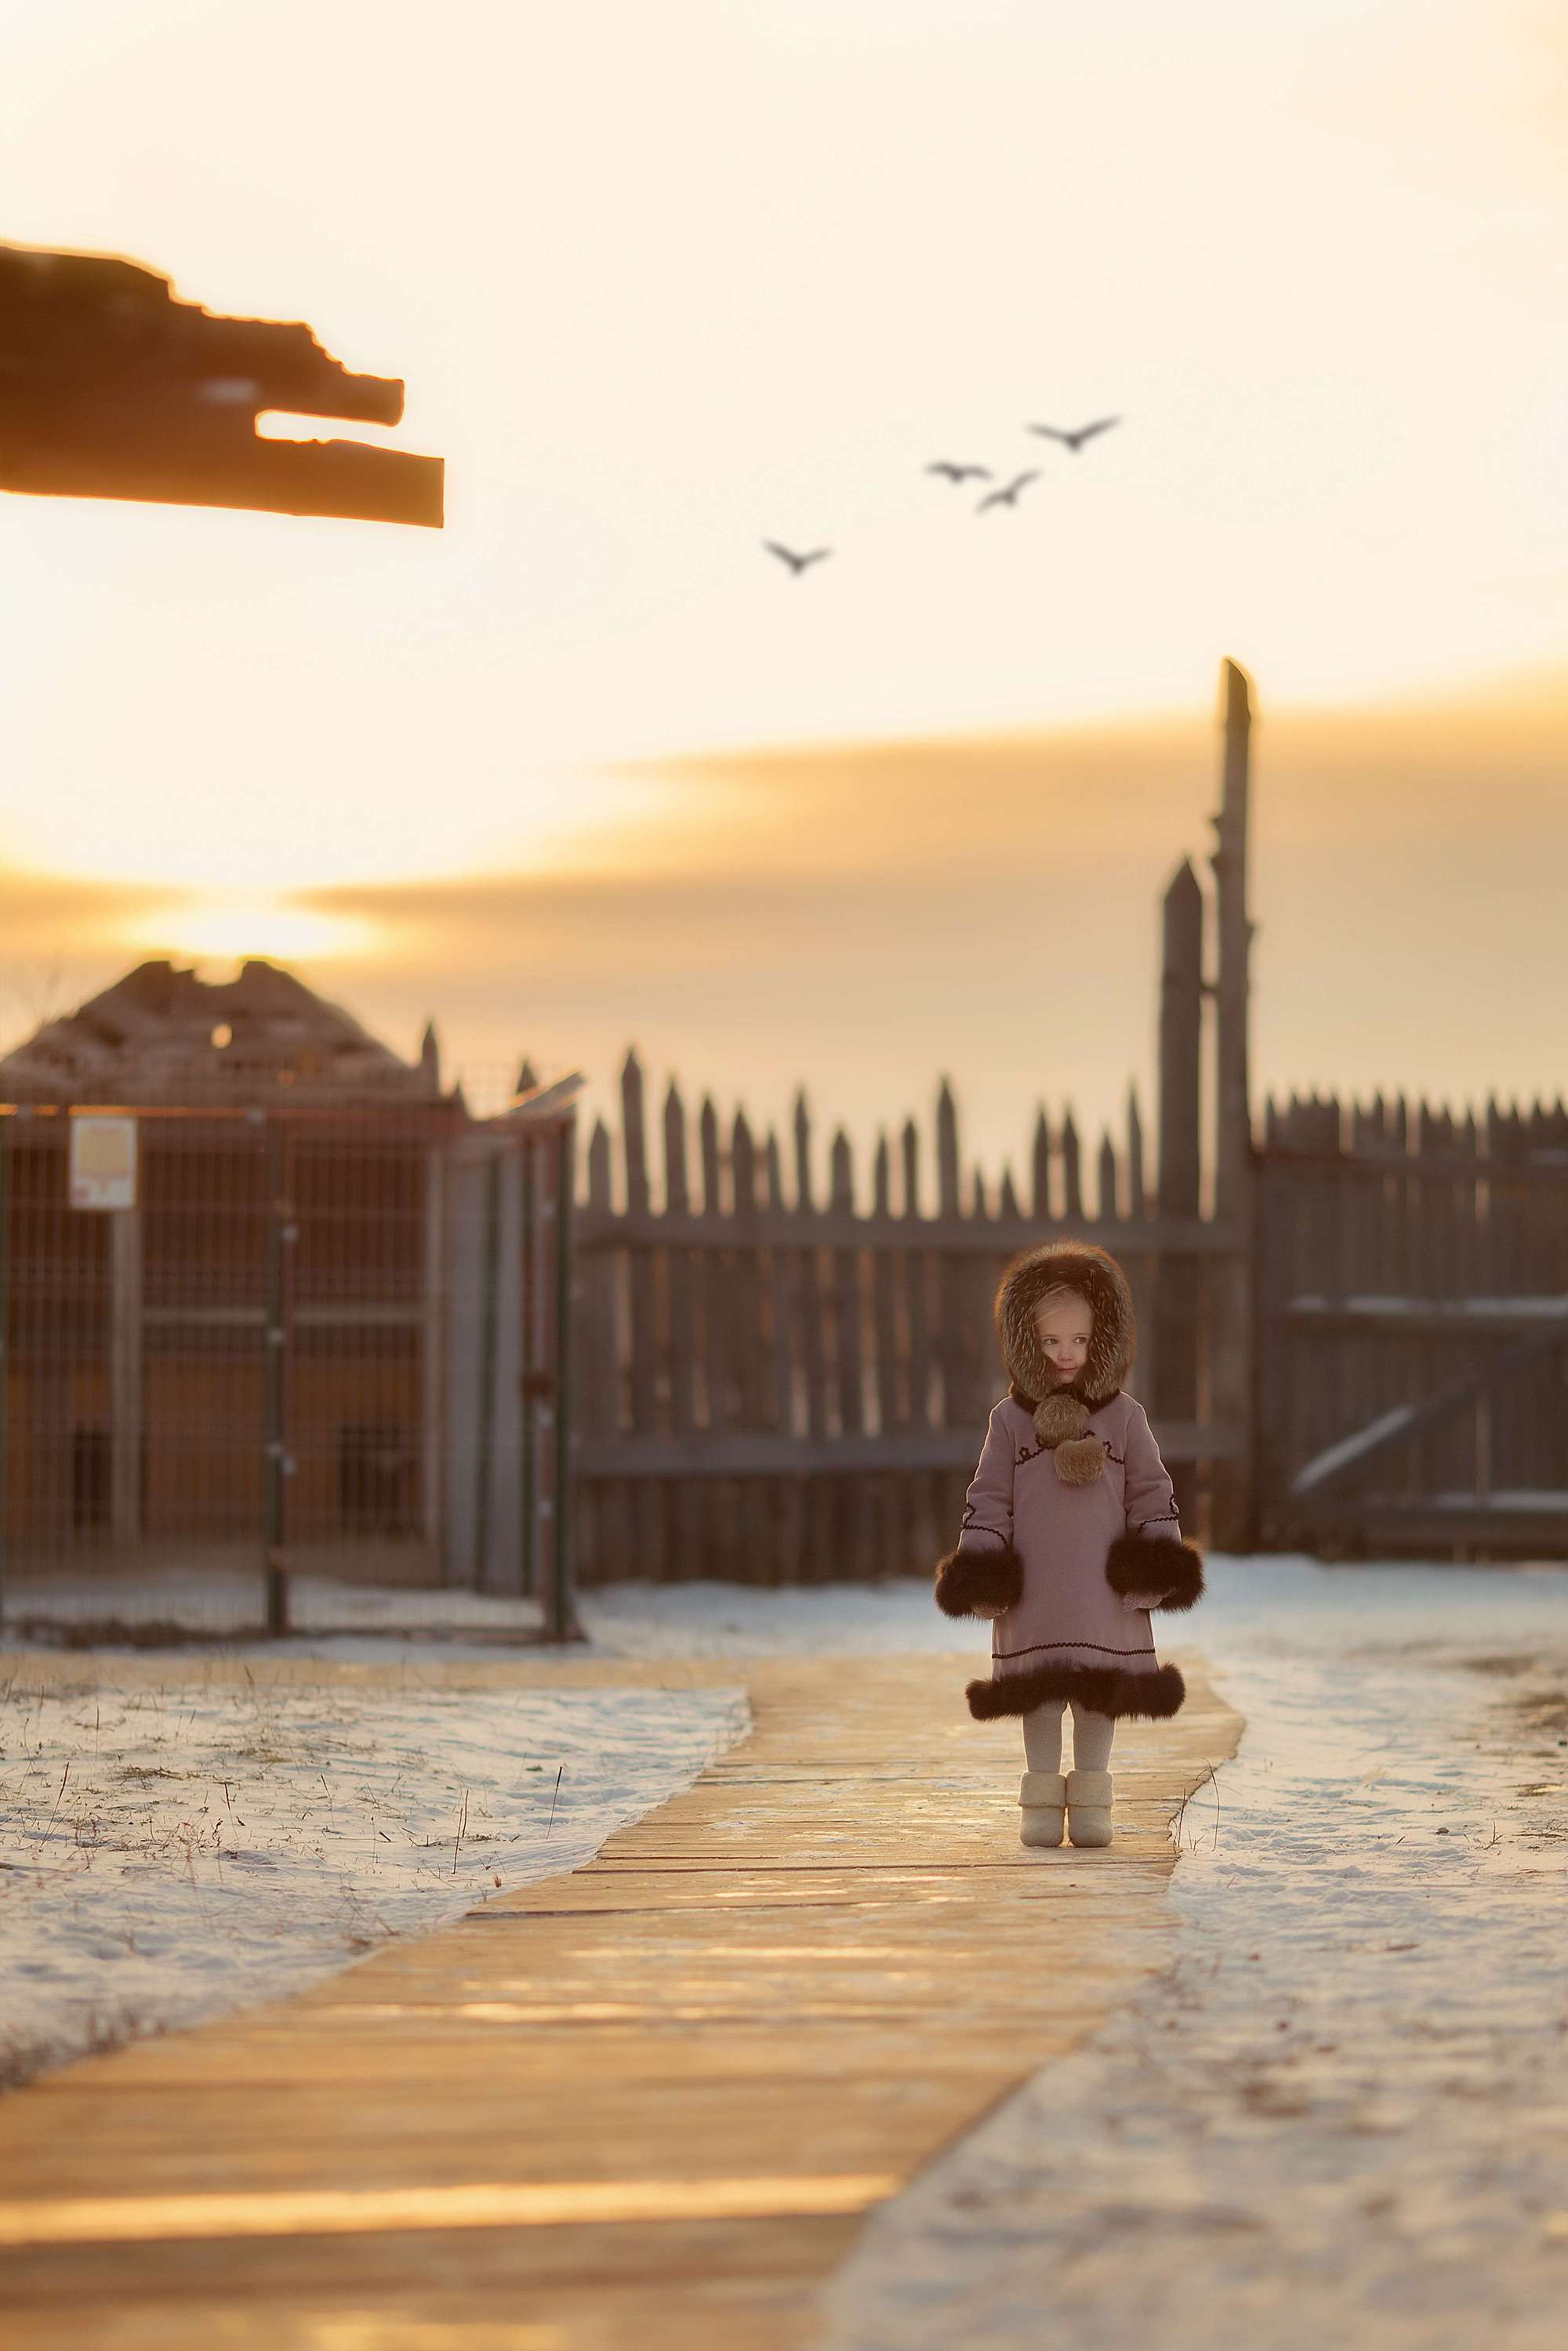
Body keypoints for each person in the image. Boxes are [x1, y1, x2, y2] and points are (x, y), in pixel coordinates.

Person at [934, 1239, 1203, 1849]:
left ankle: (1091, 1801)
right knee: (1041, 1693)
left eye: (1080, 1342)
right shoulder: (1009, 1421)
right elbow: (989, 1498)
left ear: (1102, 1339)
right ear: (1028, 1340)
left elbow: (1151, 1493)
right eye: (1051, 1341)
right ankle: (1038, 1798)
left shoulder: (1125, 1418)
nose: (1065, 1355)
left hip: (1106, 1592)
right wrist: (983, 1572)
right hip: (1034, 1590)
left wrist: (1156, 1562)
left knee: (1097, 1695)